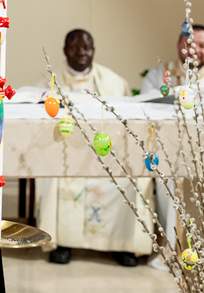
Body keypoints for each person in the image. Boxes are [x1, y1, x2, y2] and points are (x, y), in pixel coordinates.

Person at [36, 29, 151, 267]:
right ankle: (63, 242)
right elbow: (38, 119)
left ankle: (122, 245)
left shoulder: (113, 81)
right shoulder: (49, 82)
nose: (81, 52)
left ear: (93, 50)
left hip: (106, 152)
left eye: (86, 47)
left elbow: (127, 121)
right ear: (65, 51)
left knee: (132, 175)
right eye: (74, 47)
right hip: (66, 152)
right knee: (54, 174)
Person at [142, 24, 204, 92]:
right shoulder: (158, 75)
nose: (195, 50)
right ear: (178, 46)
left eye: (202, 46)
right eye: (189, 44)